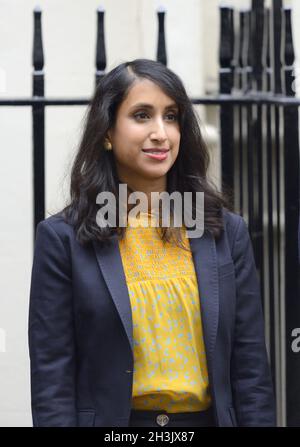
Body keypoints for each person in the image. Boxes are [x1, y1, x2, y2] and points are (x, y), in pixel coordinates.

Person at [28, 58, 276, 427]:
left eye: (171, 116)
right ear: (107, 132)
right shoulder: (63, 239)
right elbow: (53, 377)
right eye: (142, 115)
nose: (161, 133)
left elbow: (251, 367)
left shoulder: (225, 232)